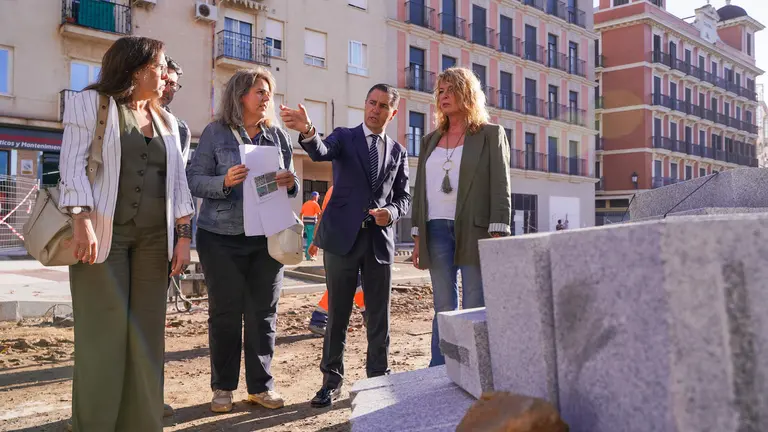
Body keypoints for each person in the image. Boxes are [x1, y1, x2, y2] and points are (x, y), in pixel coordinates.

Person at [59, 36, 194, 432]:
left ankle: (142, 423)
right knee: (103, 334)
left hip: (155, 242)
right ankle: (95, 423)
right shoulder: (92, 103)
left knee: (147, 336)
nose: (166, 74)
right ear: (135, 69)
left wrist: (184, 237)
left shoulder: (169, 122)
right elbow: (72, 163)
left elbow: (179, 184)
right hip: (103, 236)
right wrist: (81, 218)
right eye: (160, 66)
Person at [280, 83, 411, 408]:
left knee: (378, 316)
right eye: (372, 102)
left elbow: (404, 197)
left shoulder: (398, 151)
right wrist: (308, 130)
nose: (375, 109)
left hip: (378, 242)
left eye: (383, 105)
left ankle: (378, 379)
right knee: (337, 314)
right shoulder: (344, 137)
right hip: (342, 240)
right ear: (365, 104)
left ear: (393, 112)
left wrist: (392, 212)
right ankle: (331, 382)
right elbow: (320, 151)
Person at [187, 67, 299, 414]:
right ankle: (222, 388)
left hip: (267, 237)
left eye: (269, 93)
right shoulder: (215, 133)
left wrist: (289, 182)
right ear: (240, 96)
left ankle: (261, 387)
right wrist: (224, 181)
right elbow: (193, 179)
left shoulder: (278, 136)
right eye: (260, 92)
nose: (267, 98)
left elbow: (291, 181)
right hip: (220, 238)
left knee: (263, 314)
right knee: (225, 314)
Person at [410, 67, 512, 367]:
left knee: (474, 304)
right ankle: (439, 368)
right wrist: (417, 237)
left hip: (476, 229)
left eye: (451, 90)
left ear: (467, 94)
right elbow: (421, 190)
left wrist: (498, 231)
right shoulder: (430, 140)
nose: (443, 96)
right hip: (435, 229)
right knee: (443, 306)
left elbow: (501, 185)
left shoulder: (490, 135)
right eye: (440, 91)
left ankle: (476, 368)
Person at [307, 185, 366, 336]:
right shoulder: (354, 187)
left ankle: (319, 318)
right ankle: (368, 314)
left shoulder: (333, 189)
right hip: (346, 242)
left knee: (341, 283)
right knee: (353, 280)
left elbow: (323, 217)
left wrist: (316, 240)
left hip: (335, 242)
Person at [300, 191, 322, 260]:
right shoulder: (315, 204)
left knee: (308, 239)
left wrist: (302, 222)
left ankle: (308, 254)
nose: (318, 198)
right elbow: (319, 215)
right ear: (315, 197)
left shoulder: (306, 203)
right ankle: (309, 255)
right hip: (312, 224)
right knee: (311, 239)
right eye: (318, 197)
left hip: (305, 223)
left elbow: (301, 214)